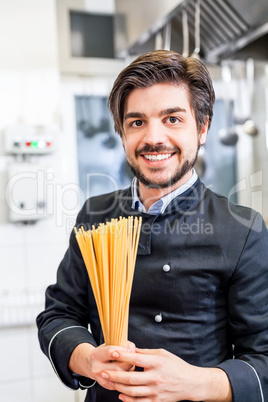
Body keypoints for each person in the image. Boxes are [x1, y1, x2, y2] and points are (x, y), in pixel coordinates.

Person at [36, 50, 268, 402]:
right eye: (137, 122)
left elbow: (263, 357)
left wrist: (196, 382)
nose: (153, 138)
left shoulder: (243, 230)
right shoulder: (95, 215)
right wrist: (88, 359)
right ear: (122, 132)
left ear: (202, 128)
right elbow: (58, 315)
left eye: (172, 119)